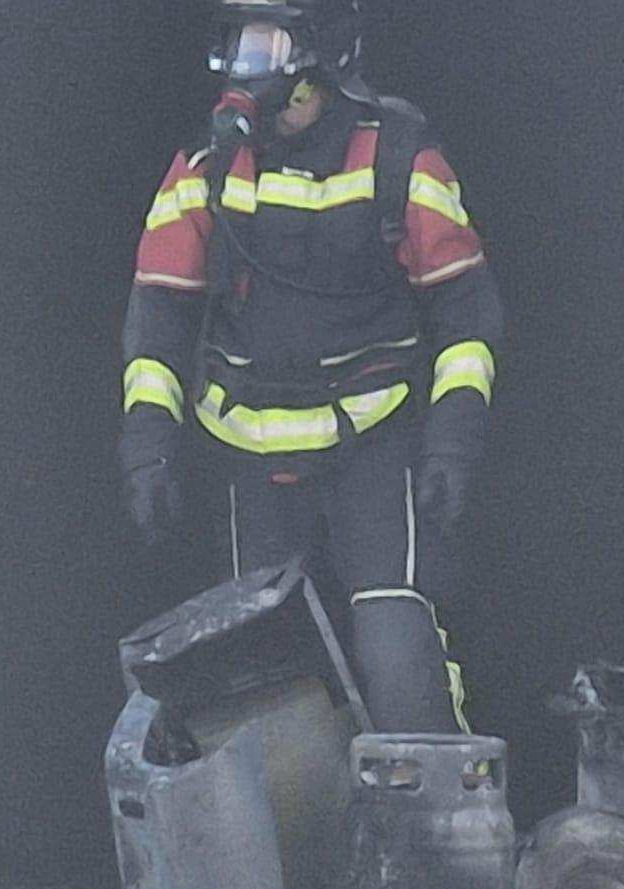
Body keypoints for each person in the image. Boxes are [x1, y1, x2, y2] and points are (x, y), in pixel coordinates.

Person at [119, 0, 503, 734]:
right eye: (236, 43)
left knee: (396, 651)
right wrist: (147, 449)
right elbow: (158, 319)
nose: (245, 70)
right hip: (251, 461)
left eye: (264, 46)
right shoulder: (202, 168)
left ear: (323, 56)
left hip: (372, 445)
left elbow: (467, 313)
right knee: (263, 675)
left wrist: (453, 442)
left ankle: (429, 799)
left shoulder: (397, 157)